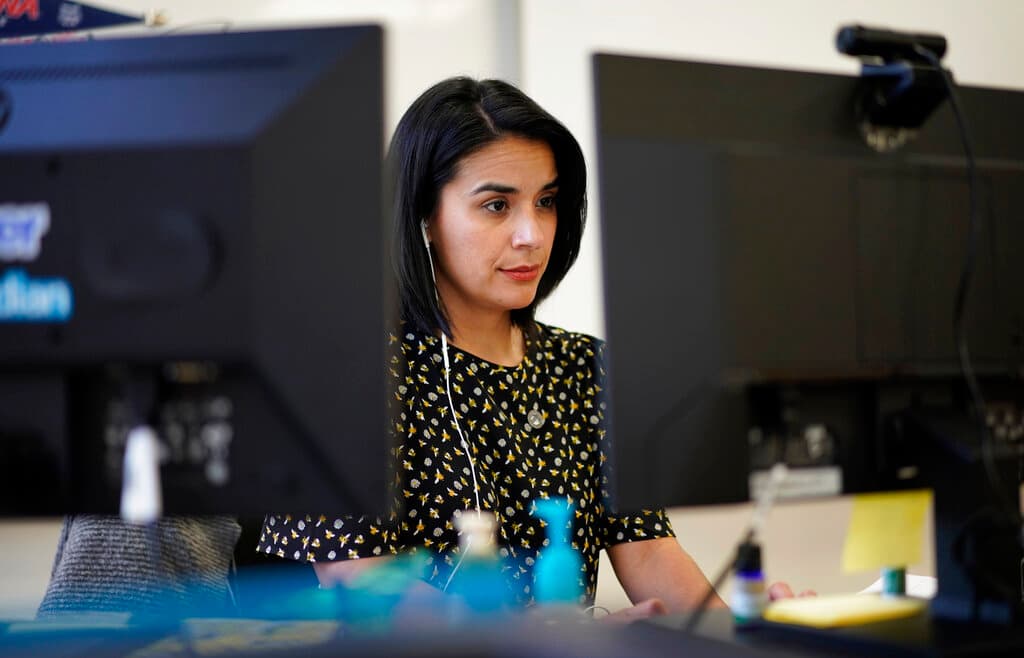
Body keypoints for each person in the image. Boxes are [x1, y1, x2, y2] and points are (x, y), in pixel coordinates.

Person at [258, 77, 803, 620]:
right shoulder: (345, 375)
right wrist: (543, 641)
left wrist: (740, 630)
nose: (532, 235)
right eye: (497, 205)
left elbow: (649, 549)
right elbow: (359, 574)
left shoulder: (588, 367)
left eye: (547, 202)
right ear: (424, 215)